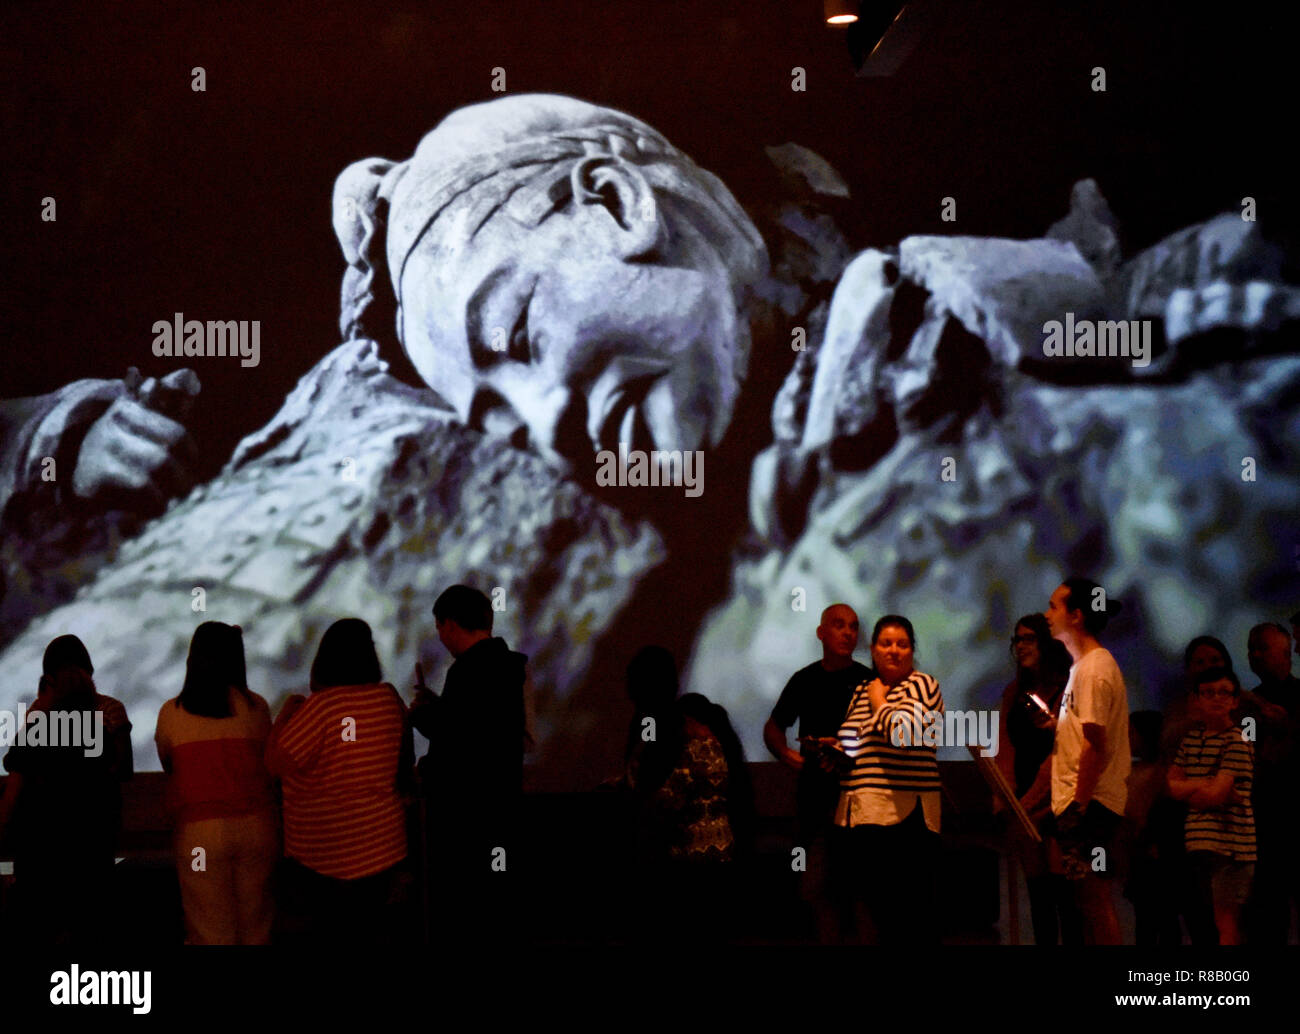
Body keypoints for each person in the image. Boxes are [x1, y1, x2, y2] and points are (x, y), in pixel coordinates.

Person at [265, 618, 413, 943]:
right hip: (383, 848)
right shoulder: (388, 699)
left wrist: (284, 717)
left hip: (326, 855)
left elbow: (277, 763)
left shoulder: (321, 708)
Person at [410, 585, 529, 943]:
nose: (440, 636)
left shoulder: (467, 671)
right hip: (504, 801)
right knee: (497, 898)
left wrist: (422, 715)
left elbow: (456, 740)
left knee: (465, 906)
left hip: (468, 812)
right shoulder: (512, 665)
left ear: (449, 624)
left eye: (439, 626)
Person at [0, 635, 132, 946]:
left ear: (49, 682)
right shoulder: (100, 726)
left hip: (41, 854)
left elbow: (15, 766)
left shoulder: (40, 725)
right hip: (93, 849)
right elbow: (120, 769)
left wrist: (41, 715)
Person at [154, 622, 278, 945]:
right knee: (256, 931)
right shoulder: (257, 708)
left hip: (200, 838)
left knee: (209, 931)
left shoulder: (171, 713)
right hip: (256, 830)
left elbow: (169, 766)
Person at [763, 603, 872, 942]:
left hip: (860, 806)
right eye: (839, 625)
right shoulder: (804, 680)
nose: (847, 633)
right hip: (815, 806)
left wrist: (845, 750)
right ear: (821, 633)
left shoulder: (869, 681)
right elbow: (773, 726)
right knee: (816, 890)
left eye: (853, 627)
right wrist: (786, 755)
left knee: (862, 896)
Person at [832, 614, 943, 944]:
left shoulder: (922, 685)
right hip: (860, 813)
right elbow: (854, 741)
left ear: (912, 651)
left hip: (904, 818)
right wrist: (835, 750)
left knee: (904, 917)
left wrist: (880, 700)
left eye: (902, 644)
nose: (894, 651)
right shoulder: (862, 690)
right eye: (886, 643)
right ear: (873, 649)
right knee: (866, 911)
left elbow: (903, 734)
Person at [1043, 577, 1131, 945]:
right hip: (1085, 805)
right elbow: (1086, 733)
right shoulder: (1084, 668)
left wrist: (1078, 807)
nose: (1047, 615)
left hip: (1090, 808)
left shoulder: (1093, 669)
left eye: (1054, 606)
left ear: (1076, 616)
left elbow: (1096, 742)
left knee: (1095, 900)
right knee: (1087, 901)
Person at [994, 613, 1078, 945]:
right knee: (1039, 897)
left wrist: (1029, 805)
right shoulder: (1014, 691)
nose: (1022, 646)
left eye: (1030, 638)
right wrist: (1006, 802)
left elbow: (1066, 753)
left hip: (1059, 799)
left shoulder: (1067, 686)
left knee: (1066, 897)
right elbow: (1004, 749)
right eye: (1018, 639)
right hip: (1025, 800)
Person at [1167, 667, 1256, 945]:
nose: (1216, 699)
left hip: (1231, 847)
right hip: (1200, 845)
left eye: (1224, 693)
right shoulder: (1191, 740)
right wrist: (1204, 782)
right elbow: (1171, 787)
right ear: (1195, 699)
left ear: (1234, 701)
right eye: (1208, 693)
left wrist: (1193, 787)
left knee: (1225, 922)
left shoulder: (1238, 740)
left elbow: (1215, 795)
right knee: (1203, 922)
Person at [1240, 622, 1300, 944]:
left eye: (1262, 648)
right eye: (1252, 648)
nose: (1254, 655)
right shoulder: (1250, 705)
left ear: (1285, 654)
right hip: (1265, 826)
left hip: (1290, 820)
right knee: (1267, 922)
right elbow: (1248, 753)